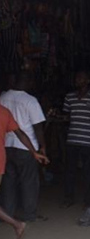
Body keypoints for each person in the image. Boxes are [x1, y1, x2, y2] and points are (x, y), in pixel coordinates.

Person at [0, 72, 46, 222]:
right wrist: (41, 147)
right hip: (25, 147)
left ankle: (7, 214)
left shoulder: (3, 97)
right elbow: (38, 127)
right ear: (28, 82)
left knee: (8, 182)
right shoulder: (30, 101)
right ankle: (28, 214)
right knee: (29, 181)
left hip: (6, 145)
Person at [0, 103, 48, 239]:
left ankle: (17, 224)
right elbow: (20, 133)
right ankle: (17, 225)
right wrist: (33, 152)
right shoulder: (4, 112)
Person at [62, 70, 90, 208]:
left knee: (88, 172)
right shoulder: (69, 97)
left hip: (88, 141)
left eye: (81, 78)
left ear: (88, 81)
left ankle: (88, 200)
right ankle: (68, 198)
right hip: (72, 139)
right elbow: (67, 117)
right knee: (70, 171)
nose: (78, 80)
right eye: (77, 78)